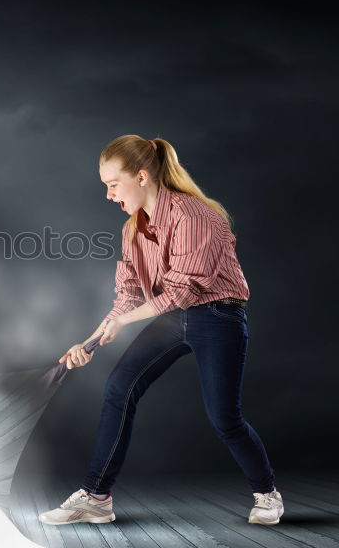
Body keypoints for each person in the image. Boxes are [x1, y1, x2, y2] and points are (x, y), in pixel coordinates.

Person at [39, 135, 283, 527]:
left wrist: (122, 322)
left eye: (112, 184)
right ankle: (97, 498)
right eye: (105, 186)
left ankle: (267, 494)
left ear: (141, 177)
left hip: (217, 316)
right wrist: (91, 341)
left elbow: (181, 290)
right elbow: (129, 295)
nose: (108, 195)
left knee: (224, 418)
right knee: (119, 388)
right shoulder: (131, 230)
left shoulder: (196, 216)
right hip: (171, 318)